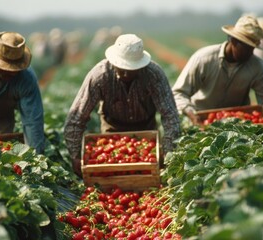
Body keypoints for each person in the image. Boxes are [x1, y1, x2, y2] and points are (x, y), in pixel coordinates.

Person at [64, 34, 181, 176]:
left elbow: (170, 115)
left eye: (131, 69)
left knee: (145, 176)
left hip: (147, 133)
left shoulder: (154, 75)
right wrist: (75, 155)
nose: (125, 73)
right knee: (113, 174)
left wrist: (168, 153)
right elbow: (77, 116)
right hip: (111, 133)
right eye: (122, 68)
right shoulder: (99, 76)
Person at [172, 15, 263, 134]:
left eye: (252, 48)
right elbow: (178, 93)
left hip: (239, 125)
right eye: (245, 47)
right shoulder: (204, 59)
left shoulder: (257, 66)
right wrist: (191, 114)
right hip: (202, 122)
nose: (249, 52)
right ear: (232, 40)